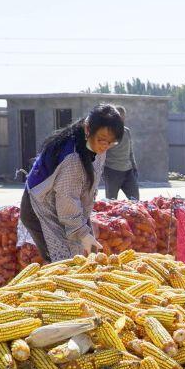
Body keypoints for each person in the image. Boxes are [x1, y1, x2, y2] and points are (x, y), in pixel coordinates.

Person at [19, 104, 124, 262]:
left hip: (64, 205)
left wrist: (84, 227)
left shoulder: (96, 145)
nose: (105, 146)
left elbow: (84, 189)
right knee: (63, 263)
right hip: (40, 207)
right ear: (88, 129)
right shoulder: (72, 159)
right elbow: (67, 198)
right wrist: (82, 232)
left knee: (79, 260)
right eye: (102, 140)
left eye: (111, 143)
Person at [104, 105, 140, 201]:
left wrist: (134, 166)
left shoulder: (127, 131)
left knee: (135, 200)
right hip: (112, 171)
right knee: (111, 202)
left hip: (128, 171)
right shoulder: (107, 133)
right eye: (119, 116)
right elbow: (101, 152)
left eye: (123, 116)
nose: (121, 118)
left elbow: (130, 151)